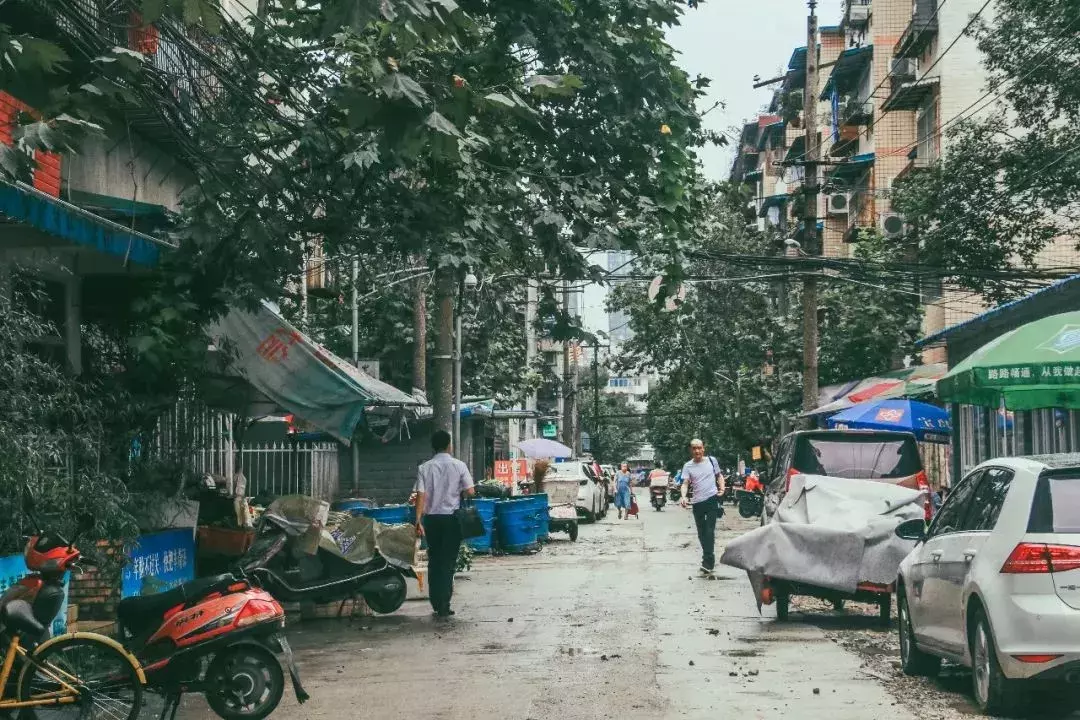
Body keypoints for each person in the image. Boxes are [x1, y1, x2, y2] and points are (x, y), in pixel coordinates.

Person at [414, 429, 476, 618]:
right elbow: (470, 492)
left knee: (434, 561)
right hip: (451, 520)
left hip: (432, 520)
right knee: (448, 562)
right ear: (449, 445)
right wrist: (458, 491)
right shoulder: (459, 466)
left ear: (433, 446)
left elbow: (421, 495)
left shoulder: (424, 468)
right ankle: (444, 604)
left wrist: (418, 520)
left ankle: (435, 602)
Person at [680, 438, 725, 575]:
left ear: (703, 448)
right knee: (701, 532)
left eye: (699, 447)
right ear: (691, 450)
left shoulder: (712, 461)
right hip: (697, 502)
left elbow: (719, 476)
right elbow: (685, 484)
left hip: (712, 499)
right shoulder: (688, 466)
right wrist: (683, 496)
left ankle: (708, 561)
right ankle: (708, 558)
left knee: (709, 530)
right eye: (694, 448)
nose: (697, 451)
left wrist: (722, 488)